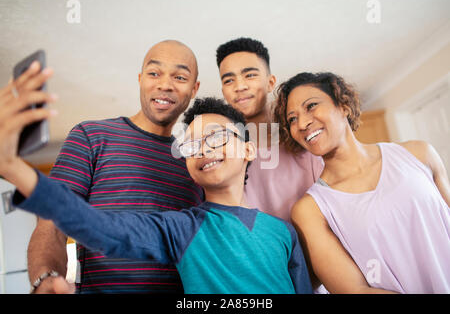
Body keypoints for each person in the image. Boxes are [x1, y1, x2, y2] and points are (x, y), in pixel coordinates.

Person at [2, 97, 313, 294]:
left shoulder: (282, 231)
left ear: (248, 149)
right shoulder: (182, 228)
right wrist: (16, 170)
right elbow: (101, 228)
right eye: (192, 145)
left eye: (216, 137)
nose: (203, 148)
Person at [12, 40, 204, 293]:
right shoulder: (91, 136)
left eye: (180, 77)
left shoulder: (196, 163)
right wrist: (46, 277)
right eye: (154, 73)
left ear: (194, 88)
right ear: (140, 78)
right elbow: (52, 221)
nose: (164, 84)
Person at [273, 71, 450, 293]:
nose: (302, 123)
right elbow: (355, 290)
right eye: (292, 119)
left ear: (343, 105)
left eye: (311, 106)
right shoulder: (310, 210)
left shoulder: (420, 153)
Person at [216, 38, 323, 222]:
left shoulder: (306, 140)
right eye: (229, 80)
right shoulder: (222, 156)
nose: (239, 87)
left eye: (249, 75)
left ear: (270, 82)